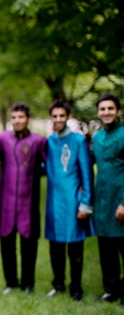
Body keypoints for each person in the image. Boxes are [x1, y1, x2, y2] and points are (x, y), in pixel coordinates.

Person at [0, 103, 46, 295]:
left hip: (28, 202)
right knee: (7, 245)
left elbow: (51, 166)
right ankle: (11, 282)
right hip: (5, 202)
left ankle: (28, 284)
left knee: (29, 246)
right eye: (14, 117)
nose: (17, 121)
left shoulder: (39, 141)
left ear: (28, 119)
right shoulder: (1, 139)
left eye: (21, 117)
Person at [45, 100, 94, 302]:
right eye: (54, 116)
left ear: (67, 116)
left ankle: (76, 288)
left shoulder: (79, 141)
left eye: (61, 116)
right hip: (53, 203)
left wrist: (85, 203)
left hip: (73, 201)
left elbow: (87, 174)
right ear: (51, 118)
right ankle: (58, 284)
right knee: (55, 249)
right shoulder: (48, 142)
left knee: (75, 249)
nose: (58, 119)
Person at [91, 93, 124, 305]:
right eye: (102, 109)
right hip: (102, 200)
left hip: (120, 200)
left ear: (118, 111)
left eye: (110, 108)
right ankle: (111, 290)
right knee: (106, 249)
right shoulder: (97, 138)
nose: (106, 113)